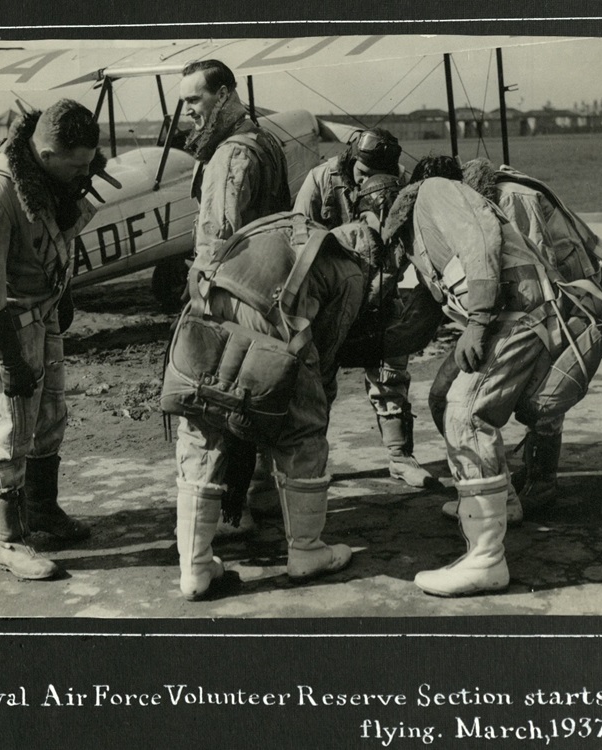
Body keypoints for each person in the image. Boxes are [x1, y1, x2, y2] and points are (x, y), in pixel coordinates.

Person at [167, 208, 414, 601]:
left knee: (203, 428)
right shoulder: (351, 270)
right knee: (303, 432)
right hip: (275, 328)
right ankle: (306, 551)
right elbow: (327, 351)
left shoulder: (289, 225)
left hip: (205, 312)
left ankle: (194, 568)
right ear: (371, 261)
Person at [382, 155, 600, 596]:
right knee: (445, 398)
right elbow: (423, 314)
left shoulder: (435, 191)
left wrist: (479, 320)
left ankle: (485, 560)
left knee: (467, 416)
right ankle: (503, 502)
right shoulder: (426, 225)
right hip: (513, 312)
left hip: (514, 312)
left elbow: (479, 240)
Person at [420, 158, 602, 516]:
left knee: (542, 400)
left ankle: (541, 482)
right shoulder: (488, 198)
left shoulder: (510, 197)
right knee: (483, 396)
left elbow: (538, 272)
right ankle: (510, 482)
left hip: (564, 303)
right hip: (549, 303)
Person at [0, 99, 105, 580]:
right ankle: (9, 542)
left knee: (49, 418)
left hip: (40, 316)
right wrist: (12, 363)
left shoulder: (45, 179)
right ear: (45, 151)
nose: (87, 171)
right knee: (10, 429)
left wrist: (61, 294)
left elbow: (49, 240)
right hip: (1, 327)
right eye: (78, 163)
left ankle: (42, 511)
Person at [178, 59, 293, 537]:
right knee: (262, 396)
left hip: (234, 295)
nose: (187, 112)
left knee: (223, 403)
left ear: (223, 95)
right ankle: (263, 492)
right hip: (271, 295)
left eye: (194, 100)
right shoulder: (267, 140)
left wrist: (200, 303)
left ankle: (231, 512)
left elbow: (216, 242)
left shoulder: (229, 155)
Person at [293, 128, 443, 488]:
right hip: (328, 299)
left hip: (381, 290)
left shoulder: (404, 185)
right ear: (350, 159)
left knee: (391, 373)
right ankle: (310, 465)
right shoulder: (321, 180)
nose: (367, 184)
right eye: (362, 175)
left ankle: (399, 457)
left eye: (378, 179)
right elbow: (297, 236)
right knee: (315, 382)